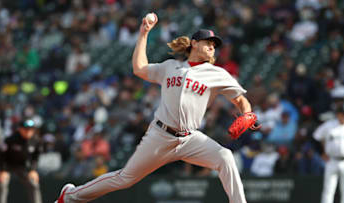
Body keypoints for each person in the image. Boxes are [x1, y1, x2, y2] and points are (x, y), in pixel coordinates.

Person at [55, 13, 259, 203]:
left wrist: (247, 113)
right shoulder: (170, 66)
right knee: (124, 179)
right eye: (209, 42)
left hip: (190, 138)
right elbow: (139, 68)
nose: (213, 47)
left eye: (215, 44)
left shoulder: (217, 73)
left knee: (225, 157)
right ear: (194, 43)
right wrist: (143, 33)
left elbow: (241, 100)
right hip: (161, 135)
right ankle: (71, 195)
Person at [0, 119, 43, 203]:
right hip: (8, 165)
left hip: (24, 166)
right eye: (26, 129)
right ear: (20, 129)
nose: (28, 131)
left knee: (34, 184)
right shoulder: (10, 139)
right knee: (2, 184)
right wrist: (2, 170)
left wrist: (33, 170)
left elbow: (36, 157)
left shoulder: (36, 141)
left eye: (31, 129)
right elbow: (0, 154)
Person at [313, 103, 344, 203]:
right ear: (338, 114)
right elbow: (316, 137)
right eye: (342, 114)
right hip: (332, 160)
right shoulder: (329, 125)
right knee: (328, 190)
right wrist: (322, 152)